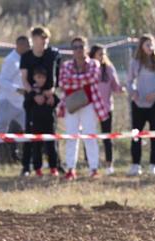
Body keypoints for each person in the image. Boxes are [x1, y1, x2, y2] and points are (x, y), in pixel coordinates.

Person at [57, 36, 106, 180]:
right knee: (72, 136)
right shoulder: (66, 65)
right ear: (72, 50)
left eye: (81, 46)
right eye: (75, 47)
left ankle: (93, 168)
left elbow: (92, 78)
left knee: (90, 135)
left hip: (89, 104)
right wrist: (82, 81)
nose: (78, 50)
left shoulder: (94, 63)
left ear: (86, 48)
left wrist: (74, 80)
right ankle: (71, 168)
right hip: (71, 104)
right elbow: (63, 83)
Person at [0, 36, 30, 173]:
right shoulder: (10, 60)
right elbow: (2, 81)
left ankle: (30, 161)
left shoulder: (26, 59)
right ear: (19, 45)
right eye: (27, 45)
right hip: (7, 102)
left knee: (30, 131)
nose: (29, 48)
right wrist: (17, 89)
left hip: (21, 104)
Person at [126, 34, 155, 177]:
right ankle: (135, 164)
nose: (150, 47)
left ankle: (154, 165)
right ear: (141, 46)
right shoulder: (135, 63)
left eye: (151, 44)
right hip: (138, 104)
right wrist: (133, 92)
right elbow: (128, 81)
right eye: (147, 44)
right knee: (136, 135)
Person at [20, 26, 61, 177]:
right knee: (31, 135)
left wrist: (51, 92)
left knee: (52, 134)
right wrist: (33, 94)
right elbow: (24, 79)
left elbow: (57, 76)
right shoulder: (26, 57)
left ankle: (56, 166)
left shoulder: (53, 54)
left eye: (45, 38)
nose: (42, 42)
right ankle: (27, 166)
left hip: (49, 98)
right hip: (32, 99)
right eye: (39, 38)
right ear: (33, 40)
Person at [89, 44, 123, 175]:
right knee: (90, 136)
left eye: (103, 54)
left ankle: (109, 164)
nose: (102, 56)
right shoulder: (89, 68)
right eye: (99, 54)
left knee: (107, 136)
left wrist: (121, 89)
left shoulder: (108, 69)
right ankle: (92, 163)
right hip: (91, 107)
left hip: (106, 107)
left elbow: (115, 86)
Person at [23, 67, 60, 176]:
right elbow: (25, 105)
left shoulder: (49, 90)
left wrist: (52, 99)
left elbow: (57, 101)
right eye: (39, 77)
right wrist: (33, 98)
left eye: (43, 77)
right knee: (36, 147)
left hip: (49, 123)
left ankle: (54, 167)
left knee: (51, 146)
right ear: (34, 78)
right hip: (36, 123)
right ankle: (37, 168)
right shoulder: (31, 91)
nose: (41, 80)